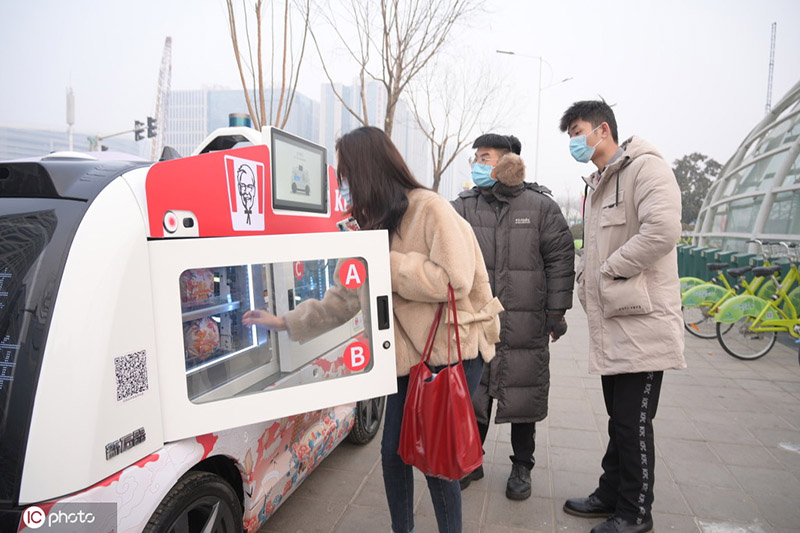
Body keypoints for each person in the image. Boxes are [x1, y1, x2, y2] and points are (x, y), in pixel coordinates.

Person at [243, 126, 502, 533]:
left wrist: (385, 261)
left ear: (368, 172)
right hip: (401, 358)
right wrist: (284, 322)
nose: (345, 187)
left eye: (348, 175)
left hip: (449, 353)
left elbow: (454, 280)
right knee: (392, 452)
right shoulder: (370, 224)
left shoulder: (430, 208)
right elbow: (344, 298)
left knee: (436, 459)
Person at [558, 100, 686, 533]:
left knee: (633, 424)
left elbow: (663, 230)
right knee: (620, 421)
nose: (574, 141)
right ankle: (610, 494)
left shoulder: (646, 169)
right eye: (570, 135)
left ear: (603, 130)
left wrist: (609, 270)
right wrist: (587, 279)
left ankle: (635, 513)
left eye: (578, 131)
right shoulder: (599, 182)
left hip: (643, 323)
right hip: (614, 321)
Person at [451, 134, 575, 500]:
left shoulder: (540, 206)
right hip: (478, 322)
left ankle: (522, 465)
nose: (477, 163)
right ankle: (471, 459)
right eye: (476, 157)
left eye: (485, 157)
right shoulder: (464, 206)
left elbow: (560, 258)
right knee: (474, 394)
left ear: (506, 162)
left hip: (526, 322)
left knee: (523, 396)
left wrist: (556, 312)